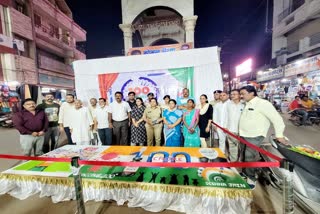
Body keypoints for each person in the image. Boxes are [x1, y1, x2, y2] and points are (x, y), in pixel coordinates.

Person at [239, 85, 286, 189]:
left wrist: (279, 135)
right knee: (243, 155)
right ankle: (245, 173)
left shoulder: (263, 104)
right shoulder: (246, 104)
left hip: (255, 135)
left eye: (243, 94)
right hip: (243, 134)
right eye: (241, 94)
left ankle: (251, 178)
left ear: (252, 93)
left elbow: (277, 120)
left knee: (249, 157)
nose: (241, 96)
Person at [225, 89, 244, 161]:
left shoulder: (244, 104)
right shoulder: (228, 104)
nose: (232, 95)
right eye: (231, 94)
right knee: (232, 147)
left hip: (242, 131)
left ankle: (241, 162)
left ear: (239, 95)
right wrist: (225, 127)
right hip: (231, 130)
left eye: (234, 94)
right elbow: (225, 116)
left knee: (242, 148)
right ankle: (233, 163)